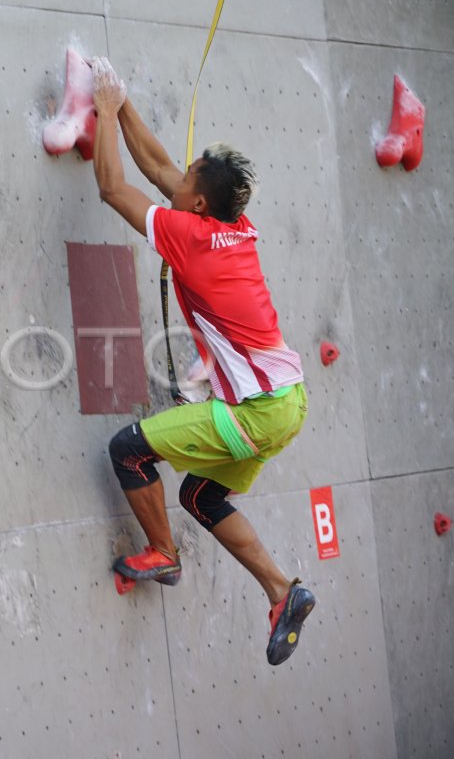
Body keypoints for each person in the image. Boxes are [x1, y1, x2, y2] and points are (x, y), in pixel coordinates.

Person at [86, 56, 316, 666]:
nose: (177, 175)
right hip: (287, 404)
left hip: (258, 410)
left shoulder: (190, 239)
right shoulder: (231, 227)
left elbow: (113, 187)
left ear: (198, 206)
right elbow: (160, 169)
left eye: (189, 178)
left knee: (127, 449)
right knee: (201, 497)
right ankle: (281, 590)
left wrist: (105, 113)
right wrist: (122, 99)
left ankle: (163, 553)